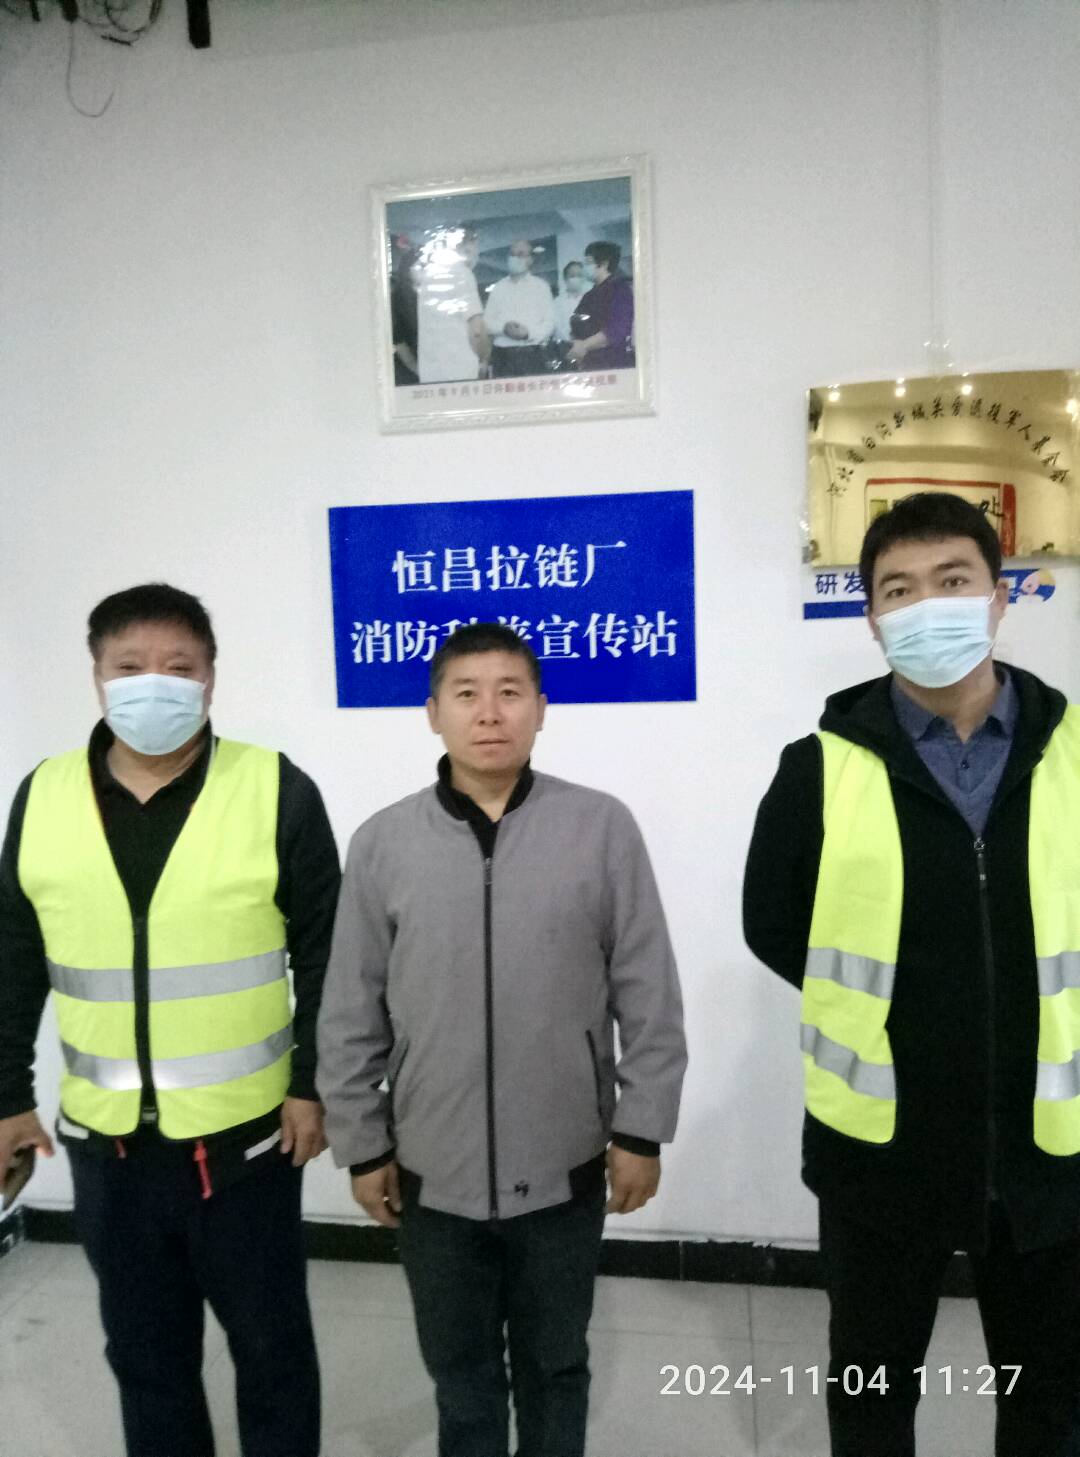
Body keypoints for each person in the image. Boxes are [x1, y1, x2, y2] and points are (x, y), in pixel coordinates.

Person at [744, 492, 1080, 1457]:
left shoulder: (1073, 757)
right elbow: (775, 925)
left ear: (999, 596)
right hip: (879, 1154)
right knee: (872, 1396)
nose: (928, 605)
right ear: (872, 617)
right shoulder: (817, 769)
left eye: (953, 580)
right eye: (900, 589)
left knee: (1049, 1401)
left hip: (1050, 1151)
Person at [318, 621, 686, 1457]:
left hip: (564, 1166)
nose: (490, 712)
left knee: (556, 1366)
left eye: (510, 692)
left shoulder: (600, 827)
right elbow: (349, 1009)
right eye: (467, 693)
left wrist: (641, 1129)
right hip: (430, 1172)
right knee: (462, 1377)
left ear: (541, 709)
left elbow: (649, 992)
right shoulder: (383, 842)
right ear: (433, 713)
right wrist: (362, 1144)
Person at [0, 583, 339, 1457]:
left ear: (211, 679)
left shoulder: (273, 787)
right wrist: (7, 1095)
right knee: (147, 1360)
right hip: (108, 1149)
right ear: (97, 677)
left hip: (247, 1144)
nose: (154, 683)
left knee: (272, 1350)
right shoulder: (42, 796)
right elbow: (12, 957)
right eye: (130, 666)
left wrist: (312, 1083)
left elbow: (329, 953)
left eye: (178, 667)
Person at [416, 224, 490, 385]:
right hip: (460, 371)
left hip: (430, 373)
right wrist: (484, 359)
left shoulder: (427, 277)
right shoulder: (463, 274)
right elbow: (476, 330)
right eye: (474, 247)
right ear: (465, 247)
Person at [482, 237, 555, 378]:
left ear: (530, 260)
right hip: (502, 355)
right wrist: (503, 328)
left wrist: (528, 333)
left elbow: (549, 323)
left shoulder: (541, 287)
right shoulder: (498, 288)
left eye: (520, 254)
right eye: (512, 254)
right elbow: (486, 322)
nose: (515, 258)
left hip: (532, 353)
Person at [568, 240, 634, 371]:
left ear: (604, 264)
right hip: (588, 362)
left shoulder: (620, 290)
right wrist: (575, 344)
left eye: (588, 263)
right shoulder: (589, 295)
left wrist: (585, 345)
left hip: (612, 362)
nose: (584, 268)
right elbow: (576, 323)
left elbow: (616, 330)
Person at [390, 244, 422, 386]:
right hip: (408, 371)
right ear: (408, 270)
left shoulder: (427, 296)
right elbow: (399, 342)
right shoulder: (398, 298)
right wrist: (419, 371)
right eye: (420, 266)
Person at [553, 259, 586, 345]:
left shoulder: (590, 300)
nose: (576, 278)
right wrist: (570, 341)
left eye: (579, 275)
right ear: (565, 279)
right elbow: (556, 327)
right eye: (572, 275)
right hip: (565, 345)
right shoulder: (557, 303)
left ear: (583, 278)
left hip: (587, 345)